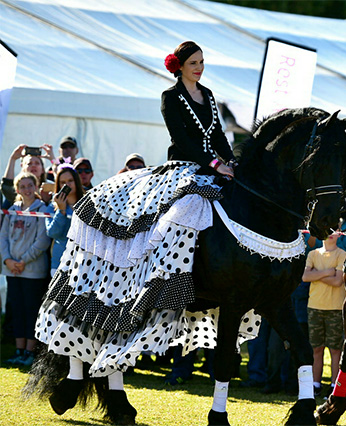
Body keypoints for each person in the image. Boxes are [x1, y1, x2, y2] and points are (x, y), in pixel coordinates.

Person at [34, 40, 249, 391]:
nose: (199, 67)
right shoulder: (171, 97)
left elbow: (219, 137)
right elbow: (184, 138)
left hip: (213, 169)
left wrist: (231, 163)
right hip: (185, 166)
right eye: (194, 62)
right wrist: (213, 163)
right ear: (179, 66)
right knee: (182, 210)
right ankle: (162, 273)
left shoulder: (208, 95)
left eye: (202, 62)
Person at [1, 172, 51, 366]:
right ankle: (19, 349)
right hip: (12, 269)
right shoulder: (12, 209)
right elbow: (3, 236)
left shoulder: (43, 209)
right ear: (17, 189)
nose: (27, 190)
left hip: (33, 271)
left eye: (30, 185)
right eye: (22, 186)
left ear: (36, 186)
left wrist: (23, 261)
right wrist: (7, 260)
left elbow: (43, 240)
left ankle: (30, 351)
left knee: (31, 311)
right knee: (17, 310)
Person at [302, 231, 346, 398]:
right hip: (314, 307)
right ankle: (315, 384)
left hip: (335, 308)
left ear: (340, 233)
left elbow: (338, 281)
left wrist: (317, 274)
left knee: (335, 350)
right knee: (316, 348)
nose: (330, 233)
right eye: (327, 229)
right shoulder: (313, 254)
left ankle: (334, 385)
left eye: (334, 230)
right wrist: (328, 272)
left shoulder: (342, 255)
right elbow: (305, 276)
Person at [45, 166, 84, 276]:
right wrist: (61, 210)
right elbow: (53, 233)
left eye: (70, 181)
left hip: (83, 264)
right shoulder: (52, 207)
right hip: (60, 262)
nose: (67, 185)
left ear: (76, 181)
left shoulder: (87, 205)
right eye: (63, 182)